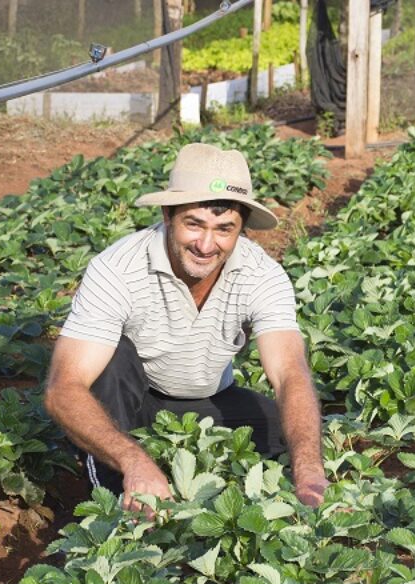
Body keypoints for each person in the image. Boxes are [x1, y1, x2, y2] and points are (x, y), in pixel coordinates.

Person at [45, 143, 330, 513]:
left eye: (224, 229)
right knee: (112, 359)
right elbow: (63, 388)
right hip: (132, 404)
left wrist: (309, 469)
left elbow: (290, 372)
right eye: (194, 224)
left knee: (293, 432)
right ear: (168, 214)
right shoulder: (117, 269)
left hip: (205, 403)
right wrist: (133, 460)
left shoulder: (262, 275)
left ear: (242, 228)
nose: (206, 245)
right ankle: (119, 512)